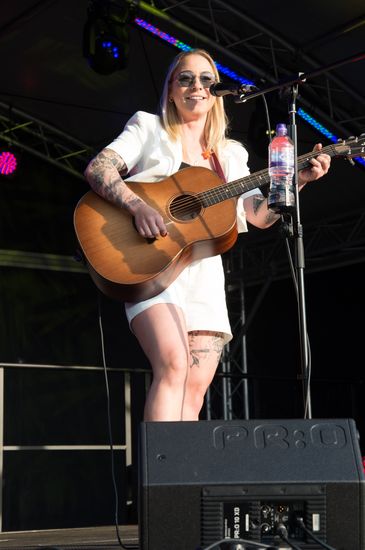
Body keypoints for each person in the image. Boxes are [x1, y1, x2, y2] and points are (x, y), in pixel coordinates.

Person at [84, 48, 331, 422]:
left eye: (205, 79)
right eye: (184, 78)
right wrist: (139, 207)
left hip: (204, 277)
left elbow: (259, 216)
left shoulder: (230, 156)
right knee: (174, 364)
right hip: (150, 263)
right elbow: (99, 168)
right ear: (170, 90)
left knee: (195, 386)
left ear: (216, 91)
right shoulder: (147, 128)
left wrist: (300, 181)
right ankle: (159, 478)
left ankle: (180, 479)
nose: (195, 86)